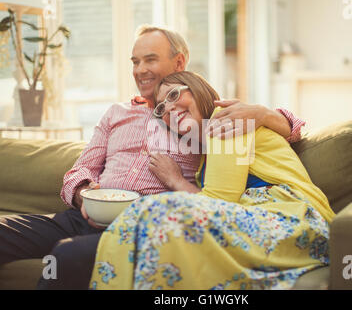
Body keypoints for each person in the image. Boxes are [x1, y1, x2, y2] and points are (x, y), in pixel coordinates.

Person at [0, 25, 304, 290]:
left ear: (179, 61)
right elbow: (79, 170)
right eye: (135, 61)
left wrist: (265, 113)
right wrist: (82, 195)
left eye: (150, 59)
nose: (139, 69)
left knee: (65, 256)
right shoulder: (116, 113)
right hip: (82, 217)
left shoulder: (198, 112)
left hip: (142, 224)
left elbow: (291, 131)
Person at [90, 71, 335, 290]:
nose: (169, 108)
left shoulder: (224, 121)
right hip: (270, 220)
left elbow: (219, 201)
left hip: (294, 219)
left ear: (198, 89)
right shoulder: (207, 155)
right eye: (161, 108)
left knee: (156, 211)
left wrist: (175, 180)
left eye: (174, 95)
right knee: (141, 218)